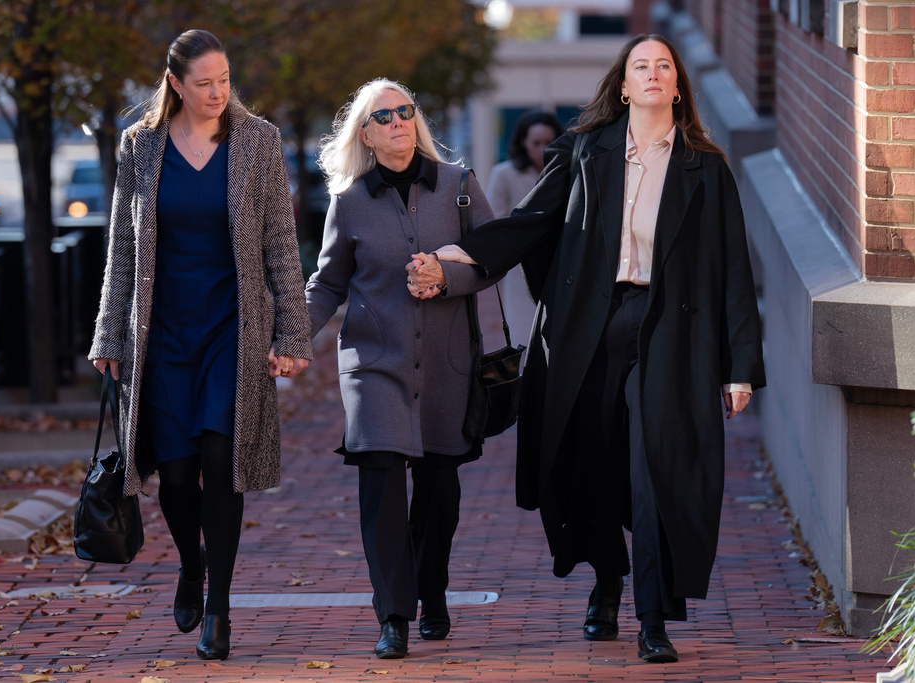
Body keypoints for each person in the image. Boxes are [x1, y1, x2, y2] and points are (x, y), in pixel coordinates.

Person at [407, 34, 765, 664]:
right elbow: (530, 222)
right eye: (640, 67)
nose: (653, 75)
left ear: (677, 84)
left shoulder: (704, 167)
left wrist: (740, 367)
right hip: (588, 328)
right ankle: (606, 579)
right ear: (622, 85)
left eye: (663, 67)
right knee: (591, 461)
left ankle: (653, 616)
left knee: (654, 470)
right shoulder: (580, 151)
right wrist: (458, 257)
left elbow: (732, 268)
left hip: (669, 332)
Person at [88, 29, 312, 661]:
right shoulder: (141, 146)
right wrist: (109, 332)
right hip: (160, 334)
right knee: (177, 477)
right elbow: (123, 247)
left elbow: (277, 243)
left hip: (230, 332)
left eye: (225, 80)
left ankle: (219, 609)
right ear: (176, 85)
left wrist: (292, 334)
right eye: (205, 83)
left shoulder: (257, 140)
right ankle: (193, 564)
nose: (218, 93)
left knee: (222, 462)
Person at [305, 78, 497, 660]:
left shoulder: (459, 187)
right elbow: (329, 283)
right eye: (383, 116)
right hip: (373, 363)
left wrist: (449, 277)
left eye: (405, 111)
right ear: (365, 133)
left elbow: (492, 259)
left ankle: (429, 588)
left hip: (445, 362)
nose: (397, 122)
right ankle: (393, 613)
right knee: (382, 478)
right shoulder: (351, 201)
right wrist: (288, 337)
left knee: (439, 488)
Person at [485, 110, 564, 343]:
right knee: (525, 338)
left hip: (562, 265)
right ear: (523, 142)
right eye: (536, 143)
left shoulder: (567, 171)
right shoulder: (504, 174)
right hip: (521, 270)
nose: (542, 149)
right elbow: (494, 221)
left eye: (548, 142)